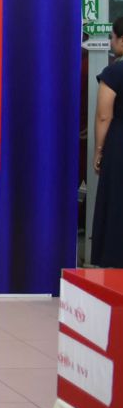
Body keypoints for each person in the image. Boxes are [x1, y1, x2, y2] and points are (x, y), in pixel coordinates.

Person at [91, 19, 123, 266]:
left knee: (116, 202)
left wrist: (98, 151)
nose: (111, 42)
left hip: (119, 146)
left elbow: (104, 115)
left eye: (112, 37)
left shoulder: (114, 73)